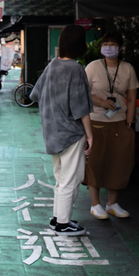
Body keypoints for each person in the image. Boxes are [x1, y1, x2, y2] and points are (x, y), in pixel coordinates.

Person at [29, 25, 93, 236]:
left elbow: (35, 94)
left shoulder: (52, 65)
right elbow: (81, 107)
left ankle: (58, 218)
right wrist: (90, 135)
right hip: (71, 133)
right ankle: (63, 223)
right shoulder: (75, 69)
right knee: (71, 178)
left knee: (61, 178)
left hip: (52, 132)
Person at [83, 32, 139, 220]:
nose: (108, 47)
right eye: (105, 43)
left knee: (119, 163)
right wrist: (101, 102)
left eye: (113, 44)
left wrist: (129, 124)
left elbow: (131, 98)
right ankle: (95, 204)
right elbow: (82, 93)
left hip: (120, 122)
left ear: (121, 48)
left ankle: (112, 204)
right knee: (95, 162)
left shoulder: (128, 69)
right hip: (96, 122)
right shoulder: (92, 67)